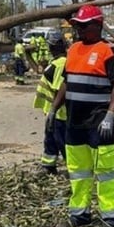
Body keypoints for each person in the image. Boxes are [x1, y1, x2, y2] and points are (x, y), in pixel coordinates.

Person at [50, 4, 114, 227]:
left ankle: (110, 216)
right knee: (78, 171)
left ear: (98, 25)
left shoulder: (109, 51)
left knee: (105, 171)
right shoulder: (73, 50)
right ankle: (80, 213)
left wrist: (111, 115)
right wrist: (54, 108)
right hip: (75, 122)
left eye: (84, 26)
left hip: (99, 122)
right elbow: (67, 82)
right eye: (77, 27)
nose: (80, 31)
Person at [34, 35, 68, 175]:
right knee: (50, 139)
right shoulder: (55, 62)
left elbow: (59, 89)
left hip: (60, 112)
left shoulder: (61, 64)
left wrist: (54, 110)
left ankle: (75, 168)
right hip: (53, 111)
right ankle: (49, 165)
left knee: (62, 141)